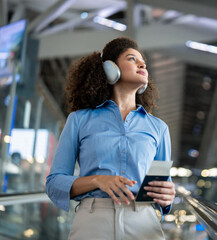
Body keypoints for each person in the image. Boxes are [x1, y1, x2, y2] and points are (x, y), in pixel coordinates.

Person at [46, 37, 175, 240]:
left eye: (144, 63)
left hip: (143, 221)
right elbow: (55, 183)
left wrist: (167, 198)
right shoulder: (79, 120)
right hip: (93, 221)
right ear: (110, 68)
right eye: (132, 59)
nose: (142, 64)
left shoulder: (159, 128)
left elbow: (161, 189)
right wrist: (98, 180)